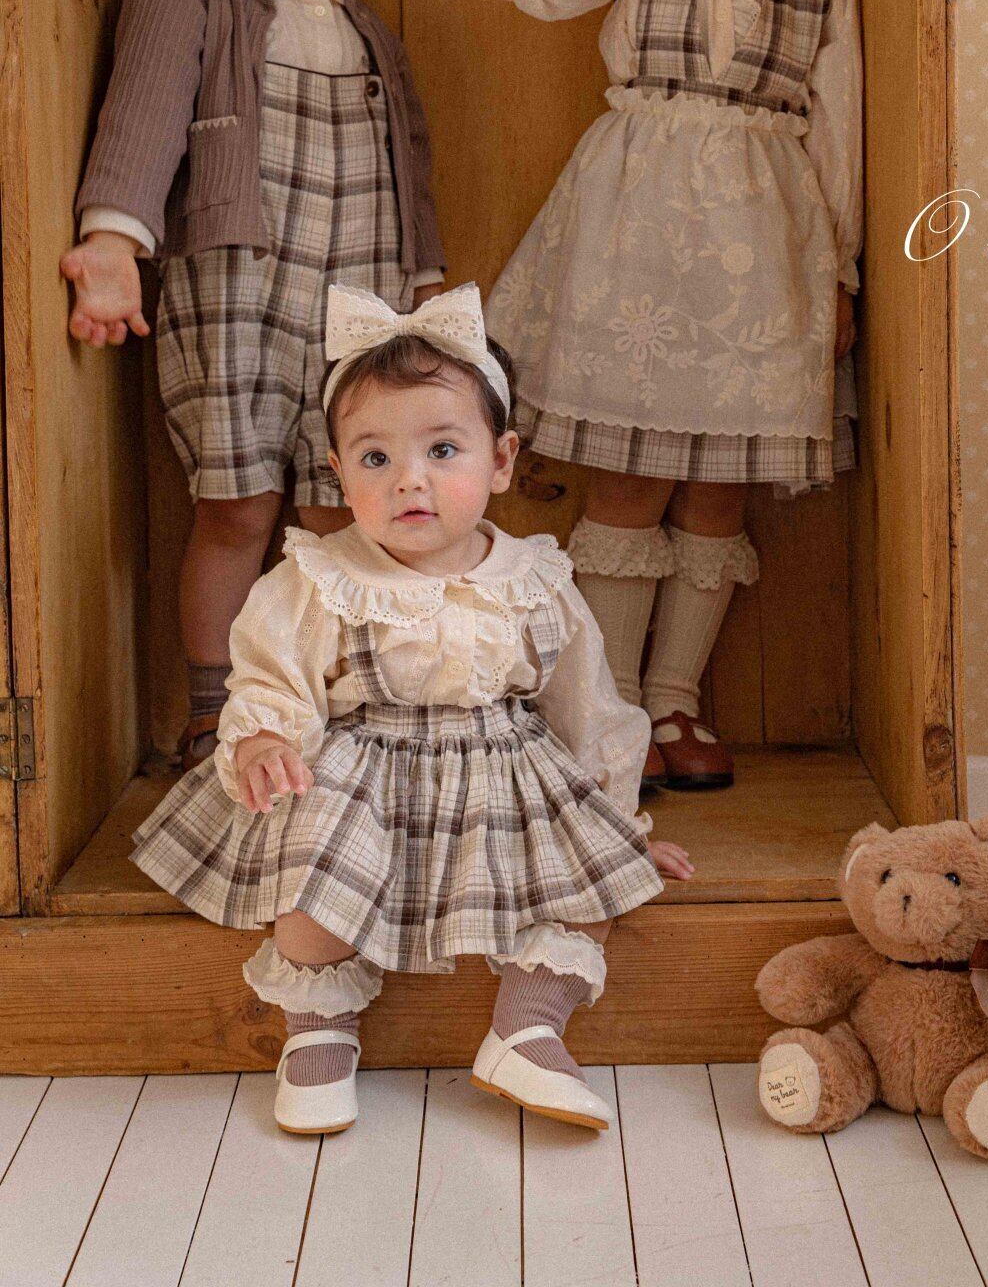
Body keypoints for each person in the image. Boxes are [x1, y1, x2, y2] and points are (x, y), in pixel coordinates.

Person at [131, 283, 691, 1135]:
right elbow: (272, 673)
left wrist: (618, 827)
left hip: (506, 777)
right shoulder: (323, 576)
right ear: (337, 472)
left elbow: (589, 708)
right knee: (313, 878)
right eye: (375, 459)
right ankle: (318, 1030)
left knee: (588, 891)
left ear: (501, 461)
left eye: (443, 449)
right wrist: (264, 738)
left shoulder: (535, 579)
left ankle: (527, 1028)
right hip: (362, 774)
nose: (409, 481)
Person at [465, 0, 864, 792]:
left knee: (718, 485)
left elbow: (841, 118)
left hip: (763, 245)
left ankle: (676, 702)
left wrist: (840, 270)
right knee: (628, 478)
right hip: (634, 231)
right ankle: (605, 713)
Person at [62, 0, 445, 768]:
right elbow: (141, 119)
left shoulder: (362, 22)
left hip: (358, 301)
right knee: (236, 506)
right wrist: (111, 242)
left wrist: (421, 288)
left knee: (339, 512)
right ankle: (215, 715)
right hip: (237, 289)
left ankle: (329, 710)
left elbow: (405, 158)